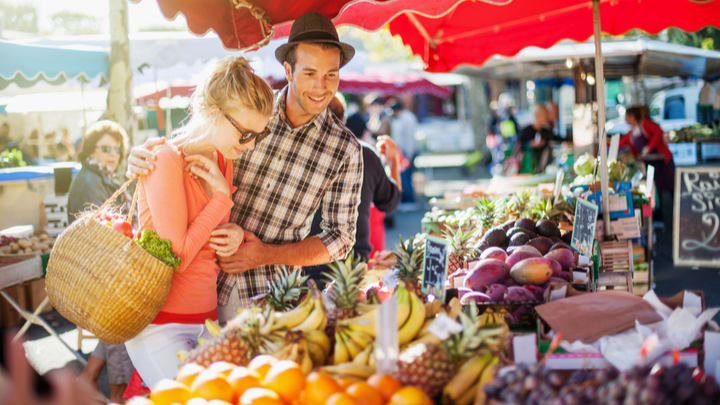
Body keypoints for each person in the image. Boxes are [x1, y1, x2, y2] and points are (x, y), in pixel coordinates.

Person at [126, 12, 363, 322]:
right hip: (202, 283)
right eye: (310, 73)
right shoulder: (249, 110)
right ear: (288, 71)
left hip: (271, 296)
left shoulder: (345, 149)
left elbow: (341, 239)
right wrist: (145, 155)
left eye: (331, 74)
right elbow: (190, 146)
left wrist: (264, 254)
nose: (321, 87)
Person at [123, 56, 275, 387]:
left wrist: (235, 235)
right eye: (245, 133)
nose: (249, 146)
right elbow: (176, 257)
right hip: (160, 326)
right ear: (210, 112)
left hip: (206, 319)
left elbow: (206, 233)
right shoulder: (164, 159)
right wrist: (222, 197)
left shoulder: (224, 155)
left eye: (256, 137)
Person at [66, 120, 133, 403]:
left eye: (117, 149)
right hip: (99, 269)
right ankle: (117, 395)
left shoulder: (103, 176)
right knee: (120, 327)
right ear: (91, 149)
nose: (113, 154)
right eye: (106, 148)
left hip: (105, 265)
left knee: (114, 326)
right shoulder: (91, 180)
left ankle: (89, 377)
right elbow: (103, 230)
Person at [619, 105, 675, 230]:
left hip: (664, 163)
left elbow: (658, 133)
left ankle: (680, 215)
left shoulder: (645, 124)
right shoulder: (631, 134)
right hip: (651, 165)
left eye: (627, 116)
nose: (625, 119)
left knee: (673, 190)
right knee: (657, 193)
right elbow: (621, 144)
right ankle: (660, 221)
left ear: (632, 117)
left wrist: (648, 147)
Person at [390, 101, 418, 205]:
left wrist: (409, 154)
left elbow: (409, 137)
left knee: (406, 176)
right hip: (402, 151)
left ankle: (409, 199)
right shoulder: (402, 118)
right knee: (403, 176)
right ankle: (407, 199)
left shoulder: (407, 119)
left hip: (406, 151)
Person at [517, 104, 555, 174]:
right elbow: (518, 147)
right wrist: (530, 145)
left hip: (543, 169)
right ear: (537, 115)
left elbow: (556, 140)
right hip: (527, 169)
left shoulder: (546, 131)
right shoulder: (526, 131)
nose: (547, 117)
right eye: (545, 114)